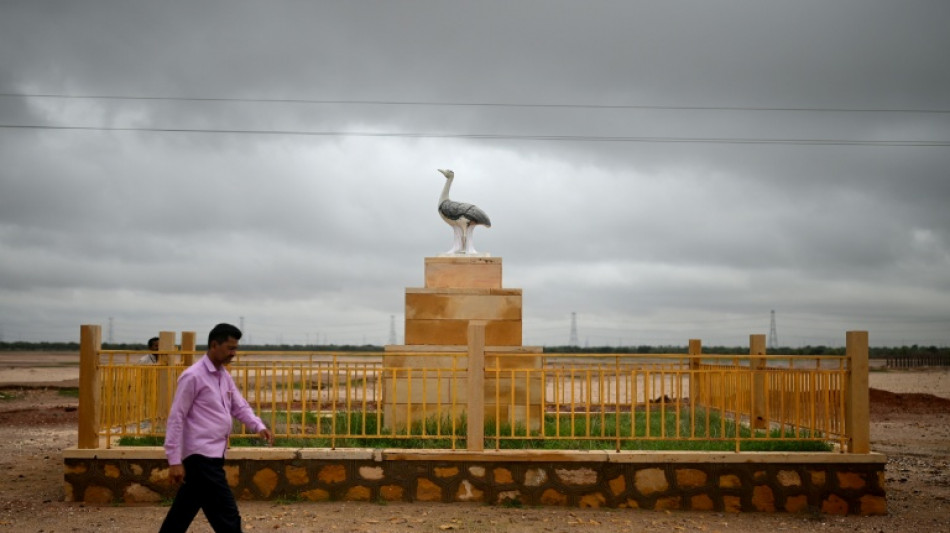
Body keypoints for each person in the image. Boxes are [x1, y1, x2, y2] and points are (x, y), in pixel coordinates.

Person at [160, 323, 273, 533]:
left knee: (182, 512)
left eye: (236, 348)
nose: (234, 353)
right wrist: (174, 459)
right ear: (214, 345)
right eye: (230, 348)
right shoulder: (193, 376)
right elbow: (176, 418)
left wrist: (257, 425)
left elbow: (238, 405)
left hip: (212, 455)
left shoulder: (223, 376)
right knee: (227, 516)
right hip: (201, 457)